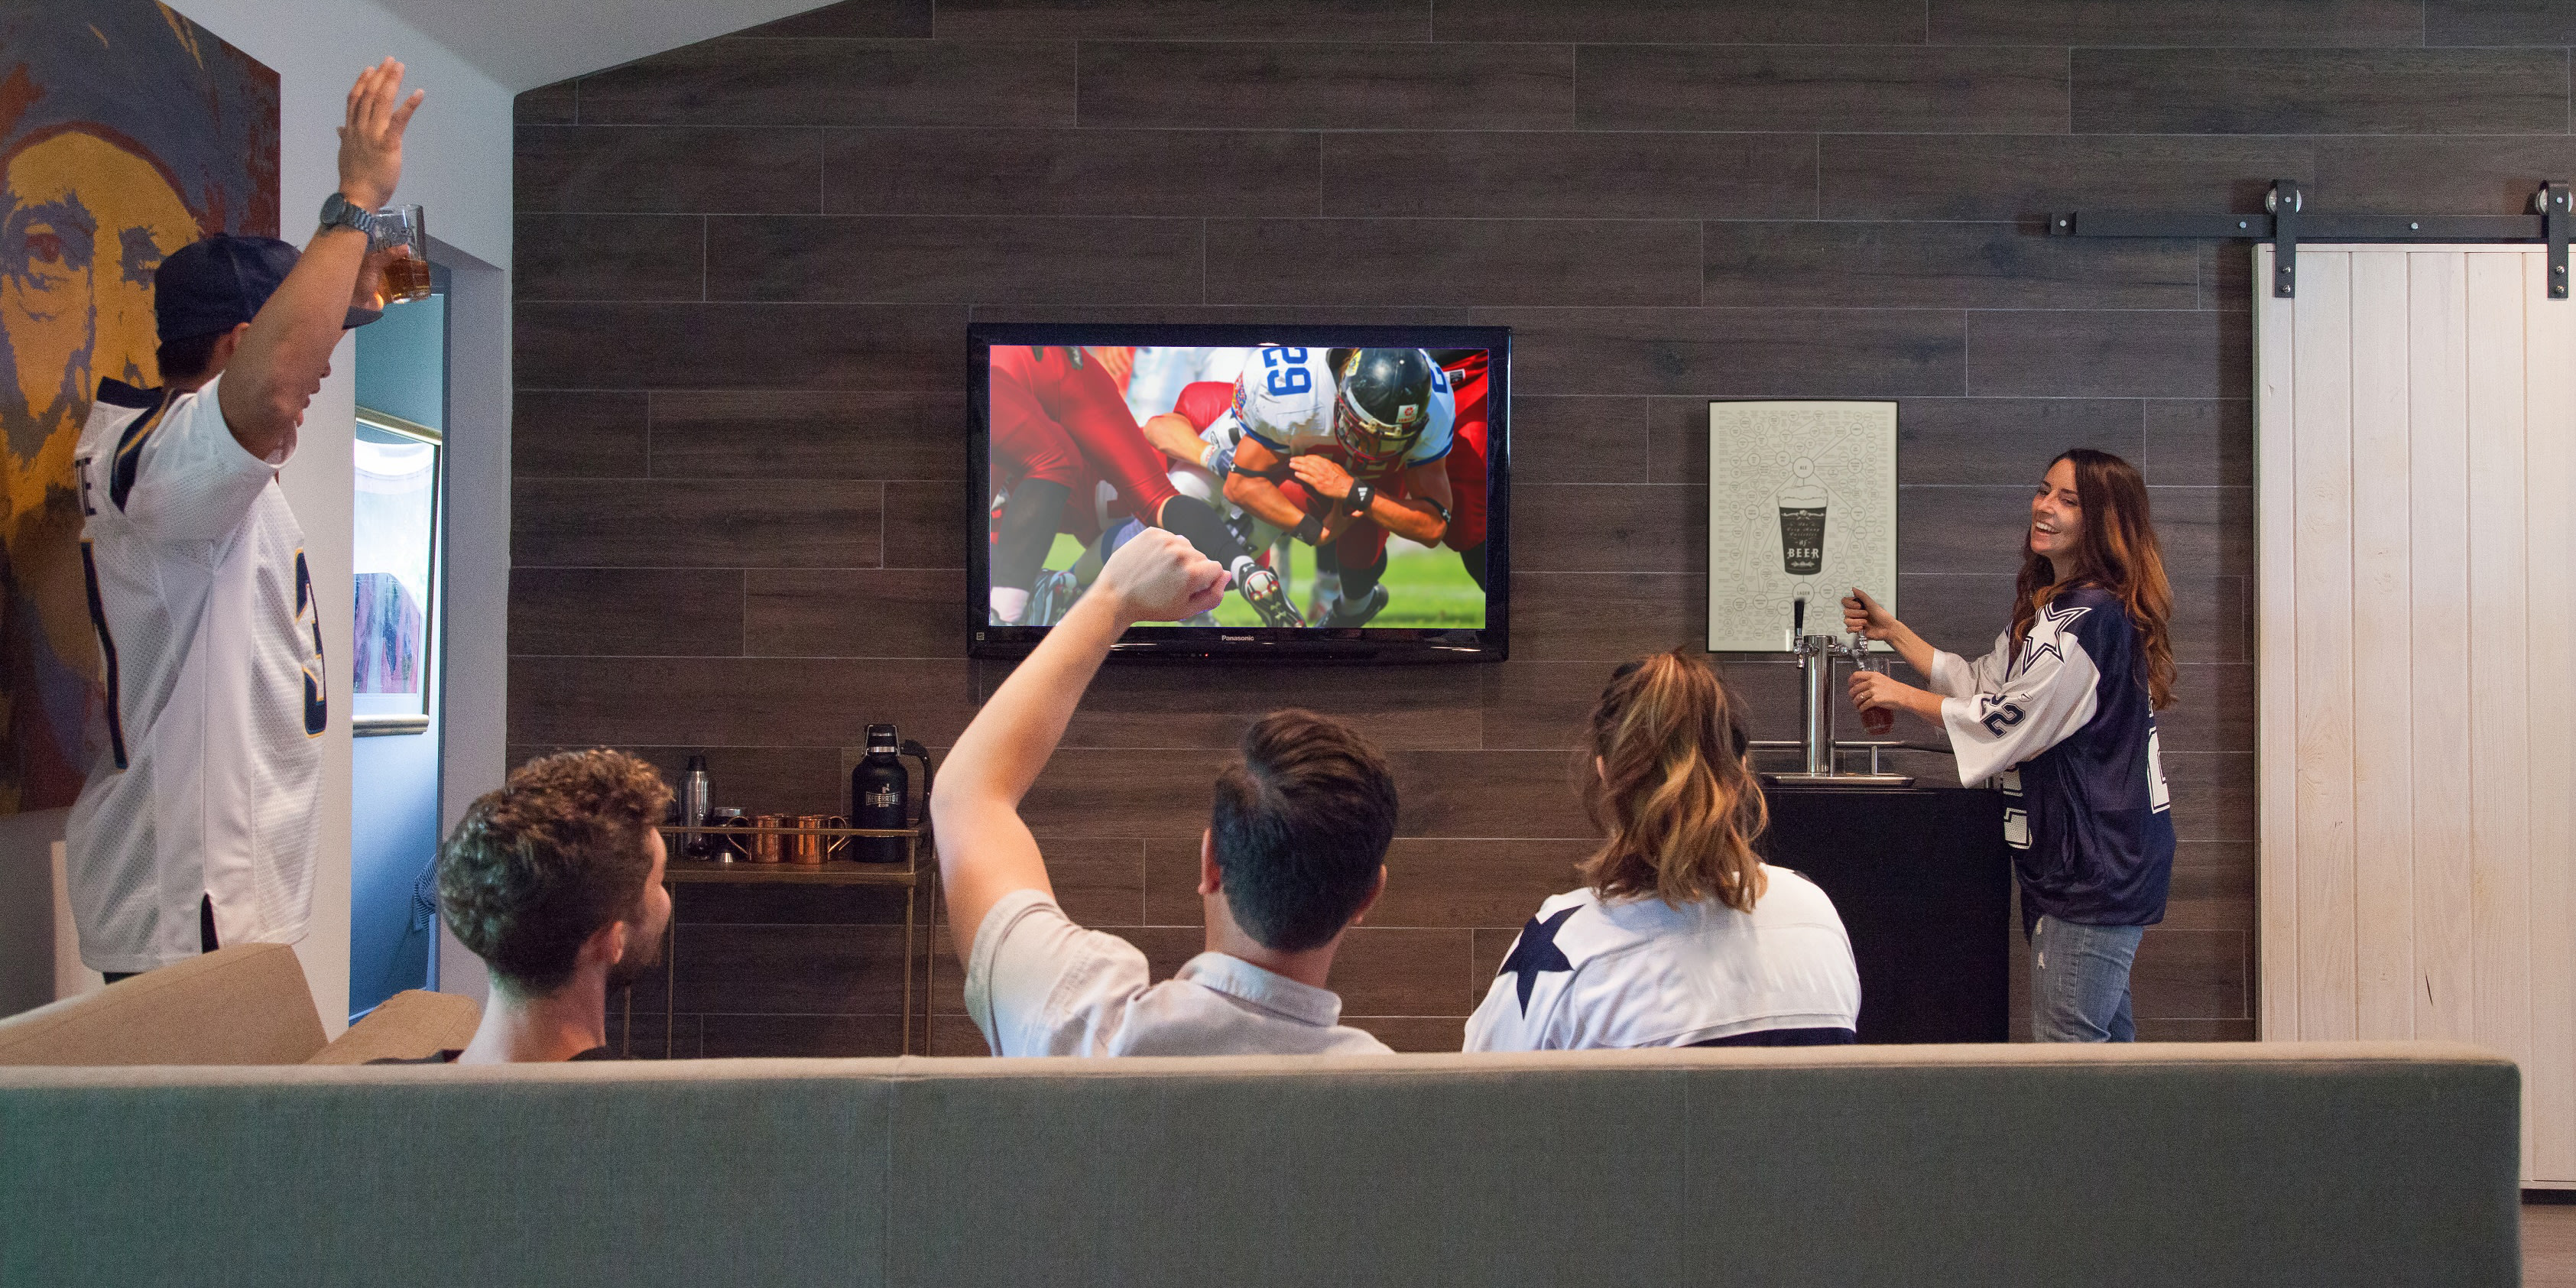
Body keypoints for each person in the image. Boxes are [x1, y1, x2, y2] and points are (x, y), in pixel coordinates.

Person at [65, 60, 423, 982]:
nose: (324, 366)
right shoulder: (164, 460)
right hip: (186, 917)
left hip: (225, 912)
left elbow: (373, 298)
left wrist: (379, 242)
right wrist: (352, 200)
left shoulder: (204, 467)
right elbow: (270, 389)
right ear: (237, 342)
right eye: (310, 344)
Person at [935, 527, 1397, 1056]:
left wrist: (1112, 598)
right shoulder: (1398, 1090)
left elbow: (965, 797)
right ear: (1369, 895)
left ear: (1211, 862)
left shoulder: (1080, 1023)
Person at [1844, 448, 2176, 1043]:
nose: (2044, 507)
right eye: (2044, 490)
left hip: (2092, 870)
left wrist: (1901, 695)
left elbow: (2007, 720)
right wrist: (1893, 632)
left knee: (2068, 1048)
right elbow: (1982, 684)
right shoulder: (2059, 609)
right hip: (2092, 865)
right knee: (2107, 1056)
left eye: (2068, 500)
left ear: (2103, 520)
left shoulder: (2088, 617)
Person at [1463, 651, 1861, 1051]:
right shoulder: (1816, 916)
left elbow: (1479, 1087)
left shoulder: (1563, 950)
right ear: (1741, 770)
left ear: (1606, 771)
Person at [397, 749, 673, 1063]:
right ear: (612, 940)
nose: (666, 899)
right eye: (660, 880)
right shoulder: (652, 1095)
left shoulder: (376, 1087)